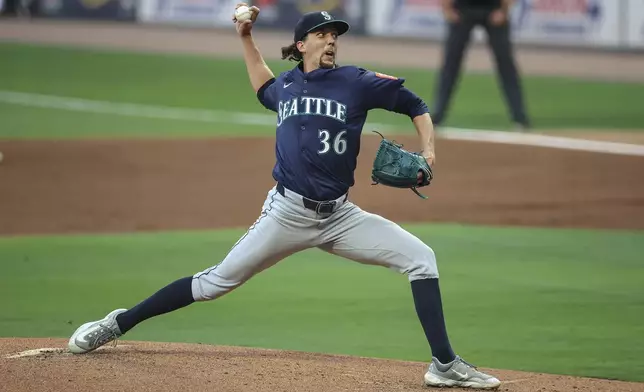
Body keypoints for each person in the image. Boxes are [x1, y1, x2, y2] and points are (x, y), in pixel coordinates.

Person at [67, 4, 501, 390]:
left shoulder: (356, 81)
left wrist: (428, 148)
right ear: (302, 44)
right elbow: (262, 83)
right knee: (213, 284)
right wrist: (245, 36)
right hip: (286, 214)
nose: (332, 40)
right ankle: (116, 323)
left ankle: (444, 365)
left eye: (336, 35)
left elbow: (414, 103)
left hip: (341, 217)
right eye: (323, 34)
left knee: (421, 258)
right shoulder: (286, 88)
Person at [432, 0, 530, 130]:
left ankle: (520, 117)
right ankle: (437, 116)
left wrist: (504, 10)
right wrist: (448, 9)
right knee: (450, 64)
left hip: (494, 7)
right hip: (462, 9)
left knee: (506, 64)